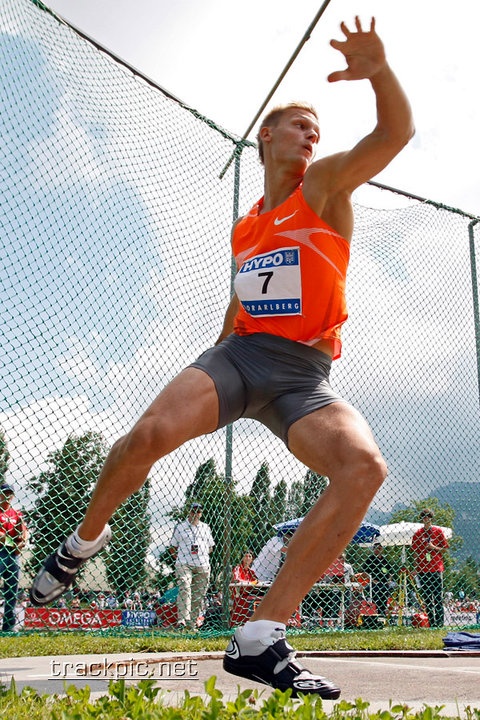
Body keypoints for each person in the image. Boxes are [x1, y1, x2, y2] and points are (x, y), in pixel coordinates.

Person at [29, 15, 414, 698]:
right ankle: (79, 545)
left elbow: (393, 136)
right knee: (147, 436)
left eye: (316, 129)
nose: (311, 135)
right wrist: (214, 362)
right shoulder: (246, 226)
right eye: (299, 125)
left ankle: (261, 637)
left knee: (364, 467)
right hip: (239, 357)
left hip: (303, 377)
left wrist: (379, 70)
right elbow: (241, 305)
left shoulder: (322, 189)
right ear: (266, 136)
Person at [169, 502, 214, 629]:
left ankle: (192, 623)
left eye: (198, 511)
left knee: (198, 595)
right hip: (184, 563)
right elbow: (172, 546)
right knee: (185, 586)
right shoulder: (181, 527)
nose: (196, 514)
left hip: (202, 564)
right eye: (193, 511)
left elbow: (211, 547)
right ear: (189, 512)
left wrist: (202, 554)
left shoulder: (206, 527)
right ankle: (182, 620)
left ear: (201, 513)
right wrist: (179, 558)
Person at [411, 508, 449, 627]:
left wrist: (433, 547)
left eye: (428, 516)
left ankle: (440, 623)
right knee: (427, 598)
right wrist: (416, 568)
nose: (426, 519)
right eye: (424, 517)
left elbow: (445, 549)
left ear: (431, 518)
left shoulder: (438, 531)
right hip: (423, 570)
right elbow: (415, 553)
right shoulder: (418, 534)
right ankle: (432, 623)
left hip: (436, 568)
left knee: (437, 597)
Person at [0, 483, 27, 632]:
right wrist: (12, 541)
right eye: (5, 493)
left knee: (12, 590)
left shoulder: (16, 514)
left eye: (10, 493)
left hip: (13, 554)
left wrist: (21, 542)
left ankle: (8, 626)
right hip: (1, 552)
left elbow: (23, 533)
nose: (7, 496)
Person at [362, 542, 394, 615]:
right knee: (376, 601)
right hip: (375, 584)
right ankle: (375, 617)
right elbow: (364, 573)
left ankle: (382, 617)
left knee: (384, 601)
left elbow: (390, 572)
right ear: (373, 549)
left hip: (384, 584)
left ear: (382, 549)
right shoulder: (370, 559)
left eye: (380, 548)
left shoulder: (384, 560)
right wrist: (372, 580)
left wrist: (389, 580)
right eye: (376, 548)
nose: (378, 550)